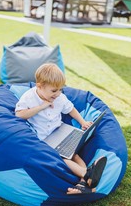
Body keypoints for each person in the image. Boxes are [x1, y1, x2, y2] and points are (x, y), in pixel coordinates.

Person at [15, 63, 107, 194]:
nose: (58, 94)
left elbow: (71, 109)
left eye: (60, 90)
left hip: (60, 131)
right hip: (45, 139)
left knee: (73, 154)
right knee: (63, 157)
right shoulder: (29, 97)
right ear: (39, 86)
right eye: (54, 91)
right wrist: (42, 106)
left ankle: (84, 183)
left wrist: (83, 122)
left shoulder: (60, 97)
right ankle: (87, 174)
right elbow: (19, 114)